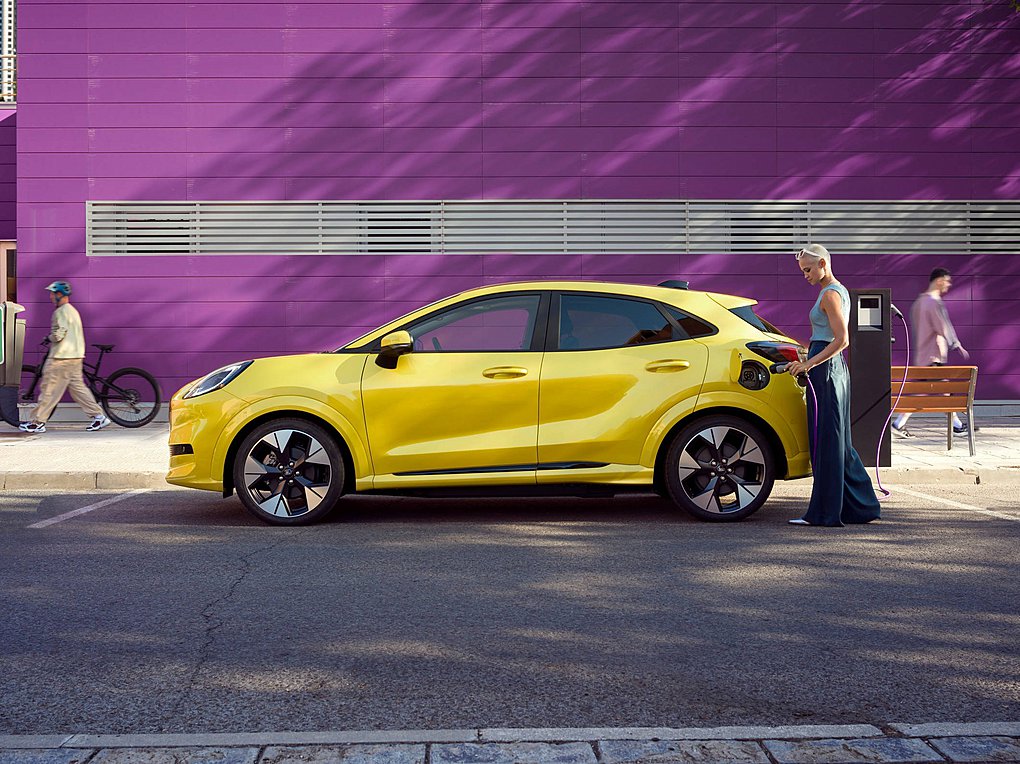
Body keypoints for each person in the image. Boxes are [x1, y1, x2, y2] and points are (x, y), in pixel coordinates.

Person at [785, 244, 881, 527]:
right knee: (837, 442)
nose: (805, 276)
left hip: (827, 371)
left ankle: (825, 514)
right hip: (832, 369)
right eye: (802, 271)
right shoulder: (839, 290)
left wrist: (809, 364)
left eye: (808, 270)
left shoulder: (829, 294)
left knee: (827, 441)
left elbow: (842, 340)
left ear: (823, 264)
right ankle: (862, 507)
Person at [19, 281, 111, 434]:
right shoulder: (73, 311)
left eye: (52, 294)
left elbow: (60, 333)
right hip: (75, 356)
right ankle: (99, 416)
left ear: (59, 295)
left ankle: (37, 422)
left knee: (49, 389)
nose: (50, 297)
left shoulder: (60, 312)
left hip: (61, 358)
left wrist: (50, 337)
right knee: (78, 389)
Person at [892, 267, 969, 438]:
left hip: (923, 355)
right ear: (939, 280)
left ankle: (898, 423)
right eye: (947, 281)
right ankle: (956, 426)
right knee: (942, 390)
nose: (948, 285)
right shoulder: (933, 302)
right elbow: (942, 326)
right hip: (933, 356)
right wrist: (955, 343)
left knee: (929, 391)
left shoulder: (919, 302)